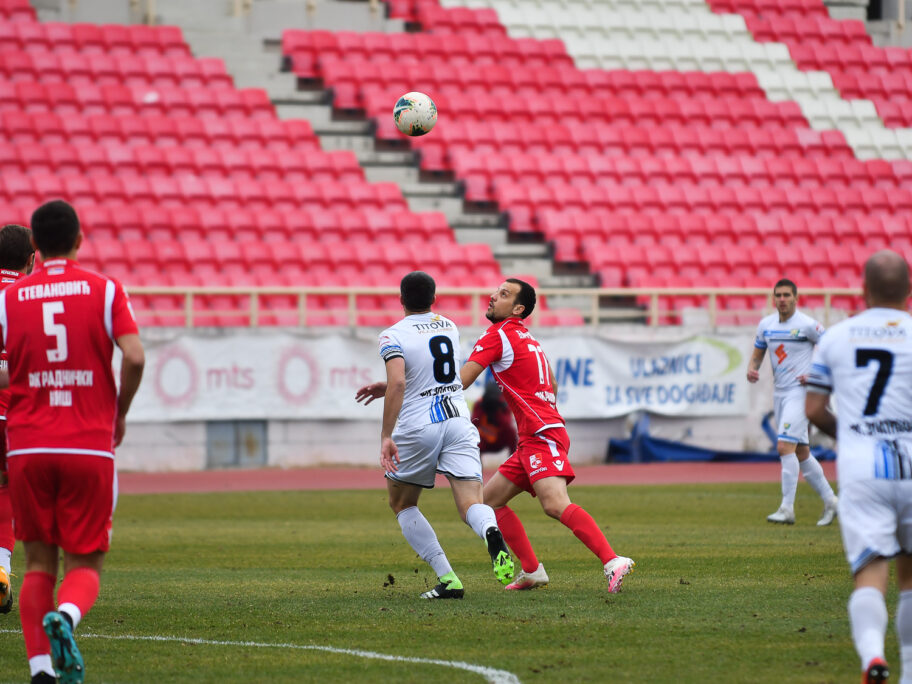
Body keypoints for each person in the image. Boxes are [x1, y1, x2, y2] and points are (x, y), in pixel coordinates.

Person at [0, 201, 145, 684]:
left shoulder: (11, 297)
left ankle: (40, 669)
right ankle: (66, 617)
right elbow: (136, 356)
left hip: (26, 446)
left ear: (36, 248)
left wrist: (21, 378)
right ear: (80, 239)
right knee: (84, 562)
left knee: (38, 561)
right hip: (87, 442)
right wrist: (119, 412)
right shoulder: (105, 291)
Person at [461, 278, 634, 592]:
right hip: (537, 433)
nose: (492, 296)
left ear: (518, 308)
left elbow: (462, 380)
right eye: (496, 291)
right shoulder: (526, 336)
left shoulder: (498, 335)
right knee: (489, 503)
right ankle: (532, 570)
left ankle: (612, 561)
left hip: (541, 434)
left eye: (503, 294)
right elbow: (551, 382)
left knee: (554, 504)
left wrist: (424, 390)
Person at [355, 271, 514, 599]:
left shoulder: (391, 336)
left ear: (400, 300)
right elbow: (435, 376)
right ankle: (491, 531)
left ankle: (449, 579)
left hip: (418, 426)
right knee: (472, 501)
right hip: (457, 419)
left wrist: (386, 434)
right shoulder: (448, 326)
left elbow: (400, 382)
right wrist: (389, 388)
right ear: (433, 299)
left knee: (401, 503)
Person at [806, 250, 912, 684]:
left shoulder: (836, 337)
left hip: (862, 464)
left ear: (862, 290)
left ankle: (872, 656)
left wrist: (850, 433)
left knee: (870, 571)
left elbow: (814, 408)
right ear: (908, 291)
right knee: (910, 576)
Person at [747, 278, 838, 525]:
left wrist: (816, 375)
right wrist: (752, 369)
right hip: (780, 394)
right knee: (801, 452)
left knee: (783, 447)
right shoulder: (766, 325)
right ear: (773, 298)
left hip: (801, 393)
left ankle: (787, 509)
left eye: (787, 295)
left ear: (796, 298)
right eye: (778, 295)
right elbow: (757, 354)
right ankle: (831, 502)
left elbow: (832, 347)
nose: (782, 299)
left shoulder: (808, 325)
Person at [0, 224, 35, 617]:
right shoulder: (29, 294)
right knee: (5, 489)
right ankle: (2, 570)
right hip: (14, 413)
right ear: (30, 259)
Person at [471, 382, 517, 457]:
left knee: (512, 432)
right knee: (471, 435)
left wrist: (499, 409)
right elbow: (473, 423)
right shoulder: (480, 404)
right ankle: (476, 466)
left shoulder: (503, 405)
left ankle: (514, 462)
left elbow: (507, 425)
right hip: (483, 441)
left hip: (499, 441)